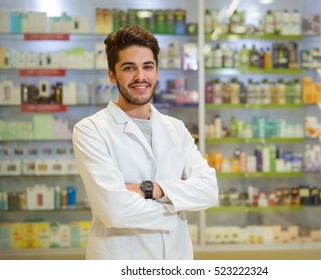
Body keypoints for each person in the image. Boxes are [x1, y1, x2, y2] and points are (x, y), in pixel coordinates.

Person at [72, 25, 218, 260]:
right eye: (129, 68)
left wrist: (148, 189)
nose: (140, 76)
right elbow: (114, 210)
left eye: (148, 67)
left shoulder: (175, 128)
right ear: (112, 74)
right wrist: (177, 204)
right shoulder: (91, 130)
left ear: (157, 71)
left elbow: (209, 191)